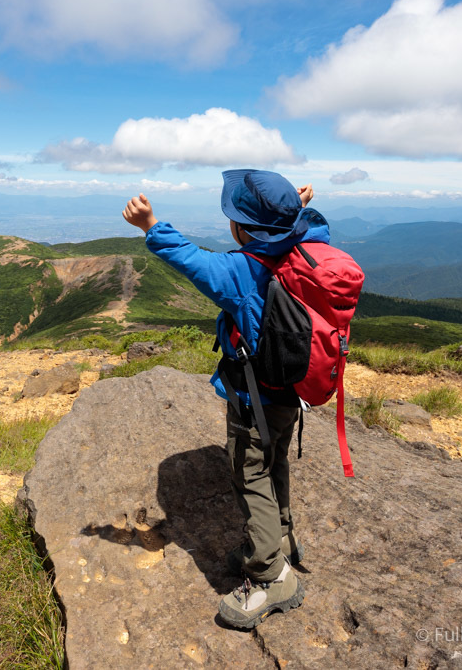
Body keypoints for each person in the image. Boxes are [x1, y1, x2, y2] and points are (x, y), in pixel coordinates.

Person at [121, 169, 330, 630]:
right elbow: (316, 225)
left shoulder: (241, 272)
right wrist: (293, 208)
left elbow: (191, 259)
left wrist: (150, 225)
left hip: (253, 399)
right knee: (274, 463)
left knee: (250, 472)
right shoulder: (308, 247)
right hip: (291, 395)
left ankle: (271, 575)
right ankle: (278, 539)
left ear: (241, 229)